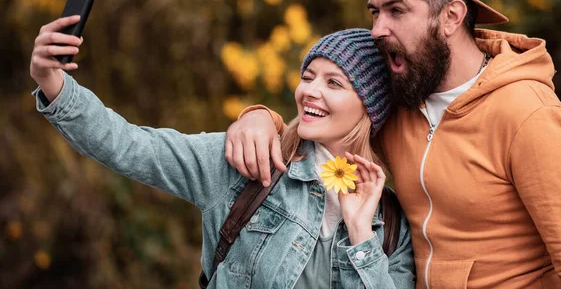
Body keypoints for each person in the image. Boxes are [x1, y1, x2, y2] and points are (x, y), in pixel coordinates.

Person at [224, 0, 561, 288]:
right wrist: (259, 117)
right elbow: (323, 117)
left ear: (451, 16)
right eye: (375, 12)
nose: (377, 29)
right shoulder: (401, 98)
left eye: (396, 10)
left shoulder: (530, 117)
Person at [30, 23, 416, 288]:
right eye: (308, 76)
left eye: (334, 83)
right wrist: (53, 83)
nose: (310, 91)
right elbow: (131, 147)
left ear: (369, 108)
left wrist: (361, 234)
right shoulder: (248, 163)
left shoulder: (391, 223)